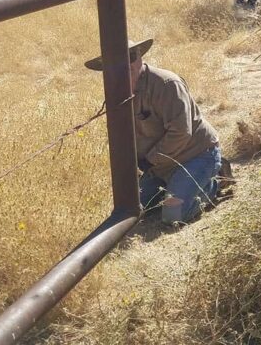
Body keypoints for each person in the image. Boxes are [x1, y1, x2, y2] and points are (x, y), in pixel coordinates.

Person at [85, 38, 224, 227]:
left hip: (195, 155)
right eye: (117, 62)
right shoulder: (117, 94)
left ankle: (215, 182)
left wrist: (149, 160)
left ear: (140, 57)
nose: (126, 65)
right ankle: (176, 187)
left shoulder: (167, 84)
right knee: (135, 210)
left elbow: (181, 133)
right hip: (159, 166)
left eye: (131, 56)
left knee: (173, 217)